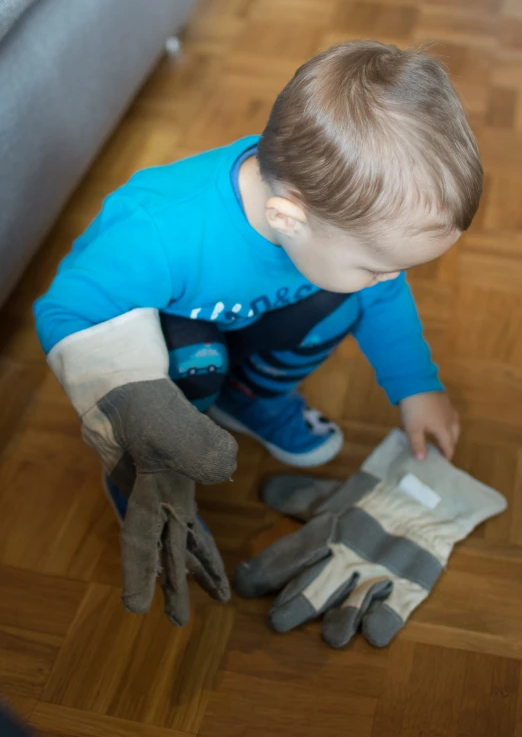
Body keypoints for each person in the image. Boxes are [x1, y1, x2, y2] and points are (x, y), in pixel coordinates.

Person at [33, 41, 481, 620]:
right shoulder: (160, 229)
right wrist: (140, 418)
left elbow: (383, 290)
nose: (389, 278)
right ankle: (150, 467)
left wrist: (417, 385)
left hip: (247, 322)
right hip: (179, 345)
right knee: (199, 361)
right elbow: (65, 314)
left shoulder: (326, 219)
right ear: (288, 218)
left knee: (351, 299)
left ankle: (249, 399)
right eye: (376, 262)